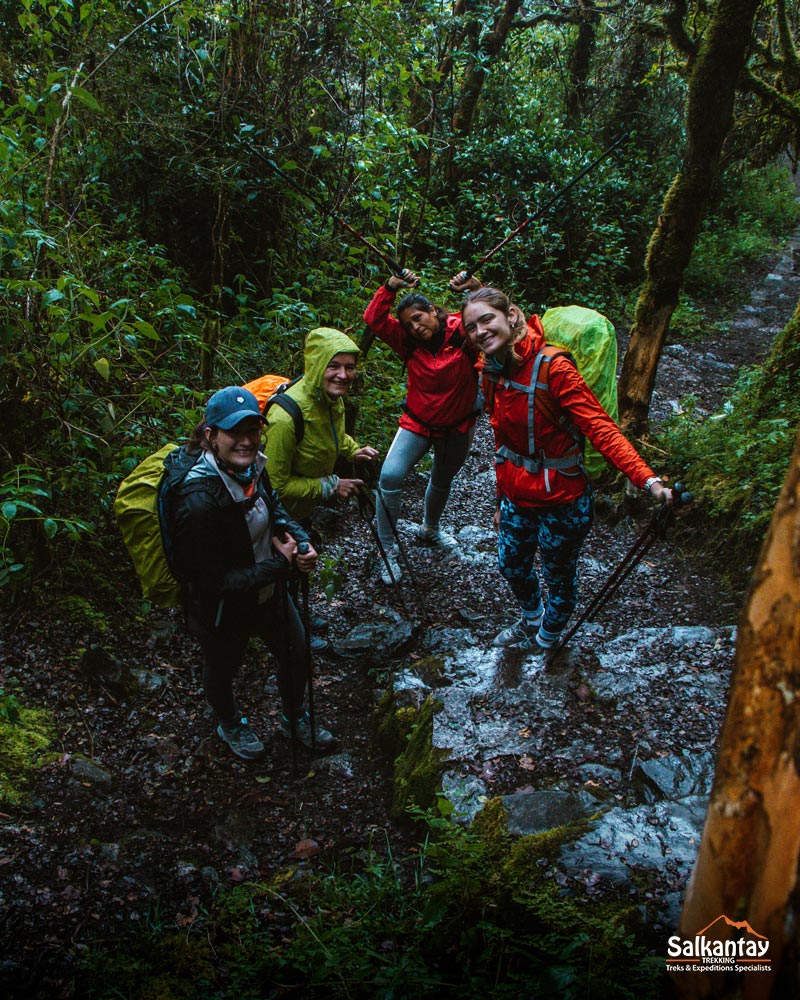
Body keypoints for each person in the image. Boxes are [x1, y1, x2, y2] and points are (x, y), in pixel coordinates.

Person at [460, 286, 672, 651]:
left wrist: (648, 481)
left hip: (563, 498)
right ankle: (531, 619)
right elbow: (502, 443)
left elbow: (601, 429)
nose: (480, 331)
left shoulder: (554, 367)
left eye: (486, 320)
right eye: (471, 327)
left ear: (511, 316)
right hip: (517, 496)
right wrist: (499, 501)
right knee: (511, 565)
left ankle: (548, 637)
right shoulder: (490, 372)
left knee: (558, 574)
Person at [168, 385, 335, 761]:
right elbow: (215, 583)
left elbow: (275, 509)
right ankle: (229, 723)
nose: (245, 441)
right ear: (211, 436)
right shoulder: (197, 501)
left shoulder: (253, 467)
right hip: (222, 608)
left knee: (296, 653)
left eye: (252, 430)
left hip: (267, 592)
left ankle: (293, 718)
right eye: (234, 432)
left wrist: (303, 544)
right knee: (223, 667)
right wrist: (283, 563)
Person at [363, 269, 481, 584]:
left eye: (419, 317)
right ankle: (386, 549)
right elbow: (374, 319)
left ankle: (430, 530)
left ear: (432, 311)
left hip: (456, 425)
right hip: (417, 421)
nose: (415, 327)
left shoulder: (462, 332)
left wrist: (477, 289)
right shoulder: (407, 341)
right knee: (389, 475)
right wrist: (390, 287)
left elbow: (492, 323)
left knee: (442, 479)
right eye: (409, 324)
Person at [264, 327, 379, 639]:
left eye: (350, 367)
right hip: (275, 518)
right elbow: (274, 487)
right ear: (316, 366)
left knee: (297, 568)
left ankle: (296, 616)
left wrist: (353, 450)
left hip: (302, 509)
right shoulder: (284, 420)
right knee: (281, 572)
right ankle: (287, 635)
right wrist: (330, 485)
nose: (343, 375)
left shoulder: (330, 399)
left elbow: (332, 436)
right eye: (334, 366)